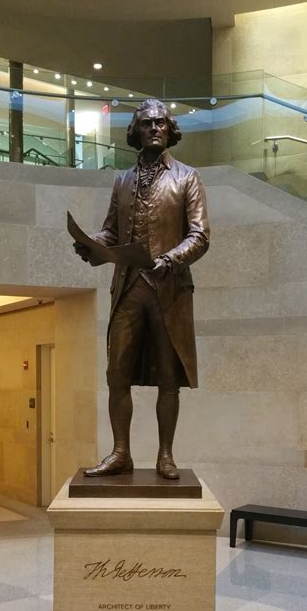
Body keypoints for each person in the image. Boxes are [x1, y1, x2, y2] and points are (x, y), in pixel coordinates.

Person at [75, 99, 209, 479]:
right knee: (116, 373)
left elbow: (200, 235)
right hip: (128, 288)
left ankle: (166, 455)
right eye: (147, 123)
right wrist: (92, 245)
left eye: (161, 123)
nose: (154, 128)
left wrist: (171, 259)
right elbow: (111, 232)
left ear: (170, 130)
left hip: (169, 289)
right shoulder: (122, 180)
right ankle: (121, 453)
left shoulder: (187, 177)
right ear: (136, 131)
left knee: (169, 376)